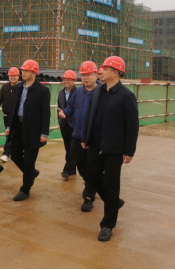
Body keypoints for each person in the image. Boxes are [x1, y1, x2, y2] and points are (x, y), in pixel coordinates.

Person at [82, 56, 139, 242]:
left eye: (105, 69)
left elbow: (132, 126)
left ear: (115, 72)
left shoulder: (126, 96)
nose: (101, 72)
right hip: (95, 144)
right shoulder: (98, 91)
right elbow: (89, 116)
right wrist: (86, 138)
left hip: (114, 148)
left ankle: (107, 225)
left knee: (112, 185)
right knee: (91, 177)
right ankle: (114, 203)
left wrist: (129, 150)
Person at [58, 62, 102, 213]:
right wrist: (65, 113)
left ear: (96, 75)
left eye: (89, 74)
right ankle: (92, 183)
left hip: (94, 138)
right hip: (77, 135)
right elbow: (71, 107)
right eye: (83, 75)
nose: (86, 77)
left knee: (92, 166)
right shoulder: (78, 92)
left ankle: (89, 196)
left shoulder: (102, 92)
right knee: (80, 165)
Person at [6, 59, 51, 202]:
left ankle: (25, 189)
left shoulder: (43, 90)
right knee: (14, 154)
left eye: (26, 70)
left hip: (33, 130)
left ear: (34, 72)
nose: (23, 72)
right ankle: (31, 173)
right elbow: (14, 107)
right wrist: (9, 126)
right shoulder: (19, 87)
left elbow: (46, 113)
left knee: (29, 160)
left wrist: (44, 133)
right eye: (23, 70)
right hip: (18, 126)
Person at [57, 70, 78, 180]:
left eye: (69, 79)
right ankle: (73, 169)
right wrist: (59, 121)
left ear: (74, 80)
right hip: (64, 124)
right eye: (65, 79)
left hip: (74, 124)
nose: (66, 81)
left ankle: (67, 170)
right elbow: (59, 107)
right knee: (67, 147)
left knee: (72, 148)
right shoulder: (61, 93)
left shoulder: (78, 92)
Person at [0, 67, 20, 163]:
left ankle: (6, 153)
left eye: (15, 76)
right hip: (7, 115)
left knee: (14, 134)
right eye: (11, 76)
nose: (13, 77)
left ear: (18, 76)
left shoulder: (21, 87)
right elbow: (0, 99)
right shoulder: (4, 87)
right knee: (9, 134)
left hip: (17, 116)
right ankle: (11, 152)